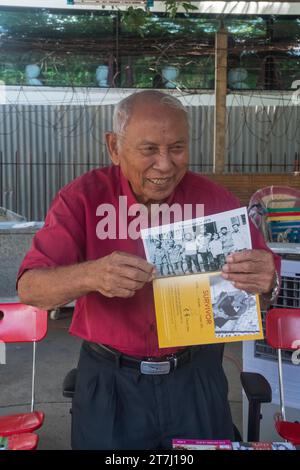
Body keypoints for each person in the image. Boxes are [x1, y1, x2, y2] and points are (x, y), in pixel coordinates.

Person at [17, 90, 280, 450]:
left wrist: (268, 282)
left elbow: (267, 288)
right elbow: (30, 289)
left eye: (177, 148)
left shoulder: (214, 201)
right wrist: (91, 275)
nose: (165, 164)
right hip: (110, 381)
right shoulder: (83, 198)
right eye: (149, 150)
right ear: (114, 147)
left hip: (196, 377)